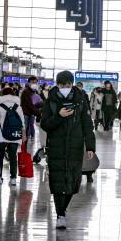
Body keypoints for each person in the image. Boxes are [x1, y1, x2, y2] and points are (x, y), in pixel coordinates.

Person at [41, 71, 96, 230]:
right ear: (57, 85)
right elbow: (45, 124)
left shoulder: (80, 101)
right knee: (58, 181)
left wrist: (90, 146)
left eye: (68, 85)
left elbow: (87, 124)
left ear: (72, 84)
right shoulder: (50, 101)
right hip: (56, 147)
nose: (66, 88)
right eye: (62, 85)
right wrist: (59, 115)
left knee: (73, 181)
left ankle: (63, 210)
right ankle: (60, 215)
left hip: (75, 146)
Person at [0, 87, 26, 186]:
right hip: (15, 136)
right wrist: (23, 136)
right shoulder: (18, 107)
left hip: (0, 137)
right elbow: (22, 123)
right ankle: (13, 179)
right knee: (13, 157)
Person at [20, 76, 42, 142]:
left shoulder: (32, 91)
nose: (34, 84)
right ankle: (22, 146)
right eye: (33, 82)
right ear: (29, 83)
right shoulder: (26, 92)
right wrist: (39, 113)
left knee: (27, 130)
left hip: (30, 113)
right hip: (26, 114)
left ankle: (24, 147)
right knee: (25, 130)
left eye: (35, 82)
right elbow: (29, 105)